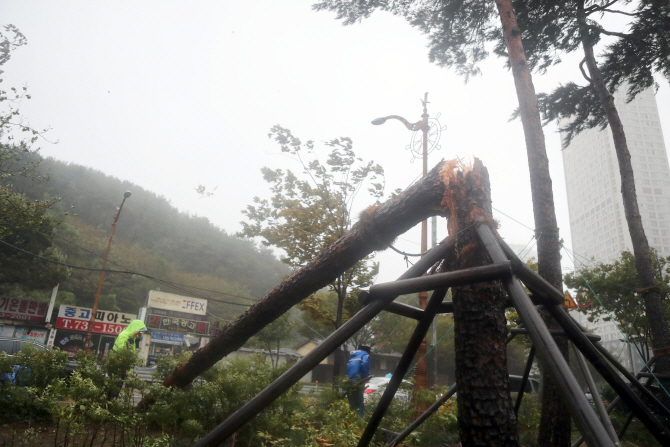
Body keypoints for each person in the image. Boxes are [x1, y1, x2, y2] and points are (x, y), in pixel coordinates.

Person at [347, 345, 371, 417]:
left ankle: (351, 414)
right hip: (359, 378)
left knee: (352, 397)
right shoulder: (365, 355)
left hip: (350, 379)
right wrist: (367, 376)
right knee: (359, 398)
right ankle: (360, 417)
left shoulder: (353, 356)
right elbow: (364, 364)